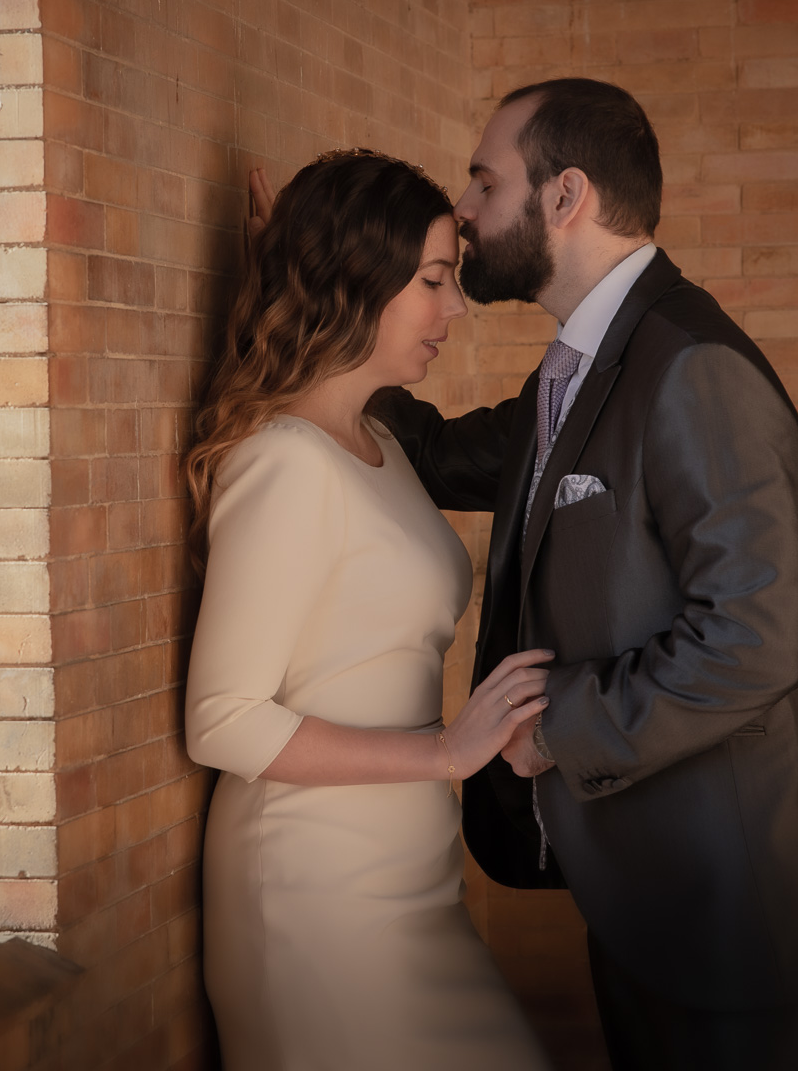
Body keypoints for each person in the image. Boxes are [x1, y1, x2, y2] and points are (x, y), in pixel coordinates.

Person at [373, 79, 798, 1070]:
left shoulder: (693, 366)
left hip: (751, 938)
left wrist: (550, 730)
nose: (465, 210)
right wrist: (333, 309)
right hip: (656, 914)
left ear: (565, 195)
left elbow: (752, 640)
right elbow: (442, 456)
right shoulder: (584, 364)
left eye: (485, 182)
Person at [183, 150, 554, 1070]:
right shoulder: (283, 463)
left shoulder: (378, 440)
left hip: (412, 882)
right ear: (357, 280)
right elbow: (220, 720)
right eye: (433, 280)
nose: (455, 308)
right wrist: (443, 751)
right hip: (315, 896)